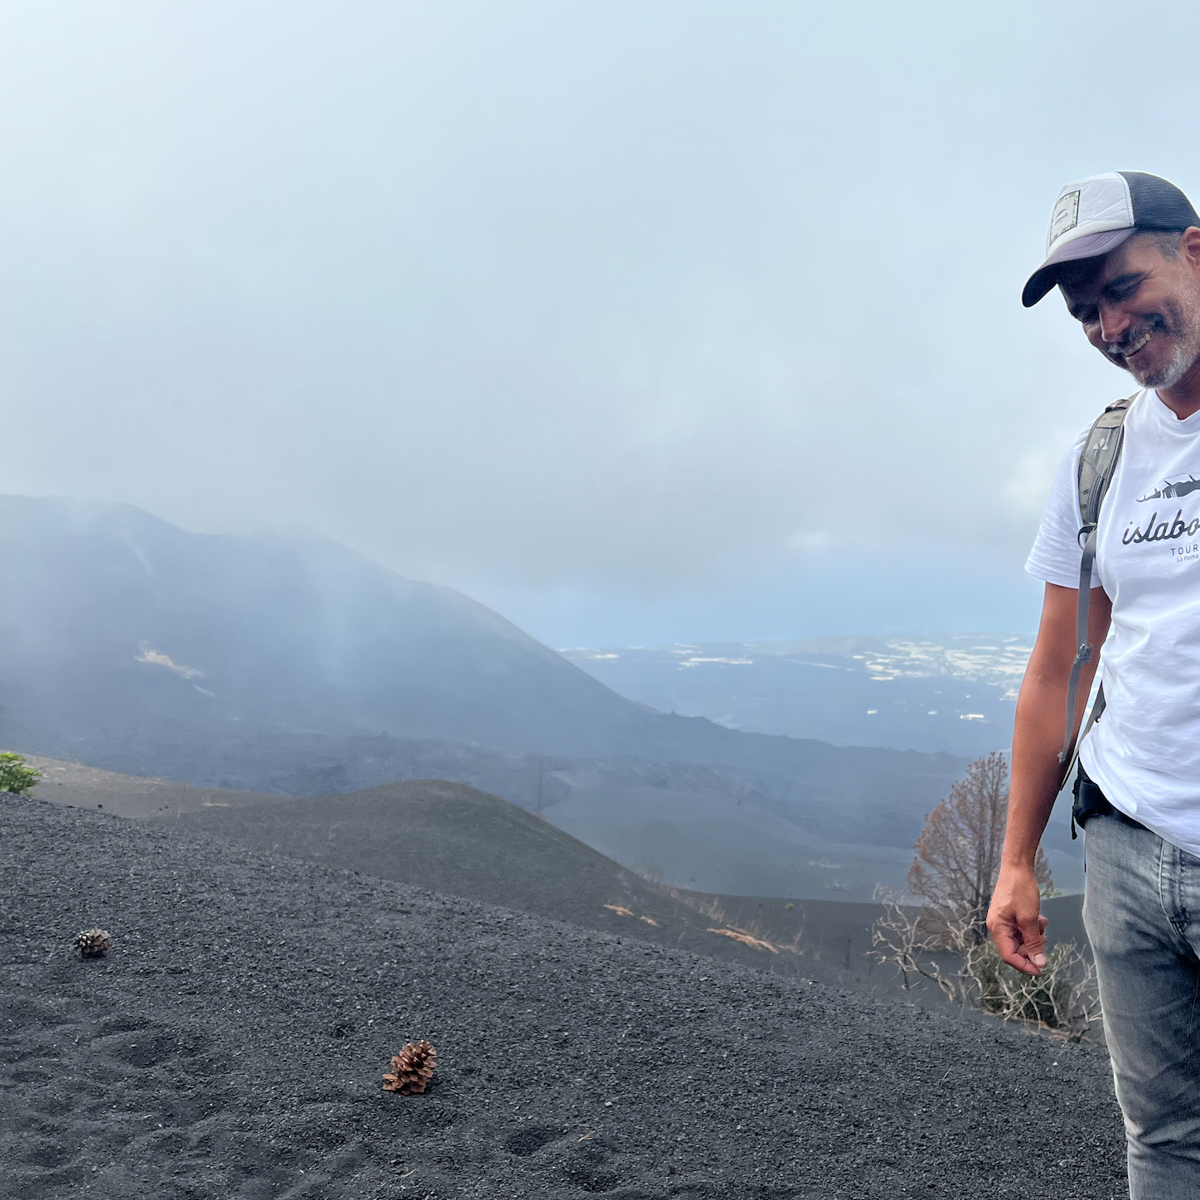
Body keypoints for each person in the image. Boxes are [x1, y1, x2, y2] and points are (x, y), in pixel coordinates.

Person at [987, 170, 1200, 1198]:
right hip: (1127, 848)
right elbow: (1061, 665)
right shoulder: (1102, 461)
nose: (1112, 324)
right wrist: (1017, 858)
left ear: (1194, 251)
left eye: (1123, 286)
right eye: (1086, 311)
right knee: (1162, 1138)